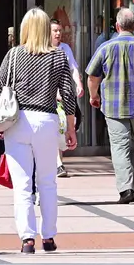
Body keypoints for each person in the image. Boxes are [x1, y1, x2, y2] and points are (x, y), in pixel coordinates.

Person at [0, 8, 79, 254]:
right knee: (48, 182)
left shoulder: (14, 55)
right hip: (47, 120)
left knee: (22, 184)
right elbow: (68, 94)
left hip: (18, 121)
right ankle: (48, 237)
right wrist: (70, 126)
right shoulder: (58, 57)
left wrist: (2, 123)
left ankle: (27, 239)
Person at [85, 8, 134, 204]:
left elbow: (93, 77)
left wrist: (94, 96)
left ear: (117, 26)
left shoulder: (105, 48)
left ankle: (125, 188)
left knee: (119, 148)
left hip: (113, 106)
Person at [50, 20, 82, 178]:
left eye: (59, 30)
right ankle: (58, 163)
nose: (58, 33)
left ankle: (58, 163)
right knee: (56, 128)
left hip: (64, 96)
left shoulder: (65, 48)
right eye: (55, 30)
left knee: (61, 127)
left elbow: (73, 68)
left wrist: (79, 84)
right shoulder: (43, 50)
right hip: (49, 98)